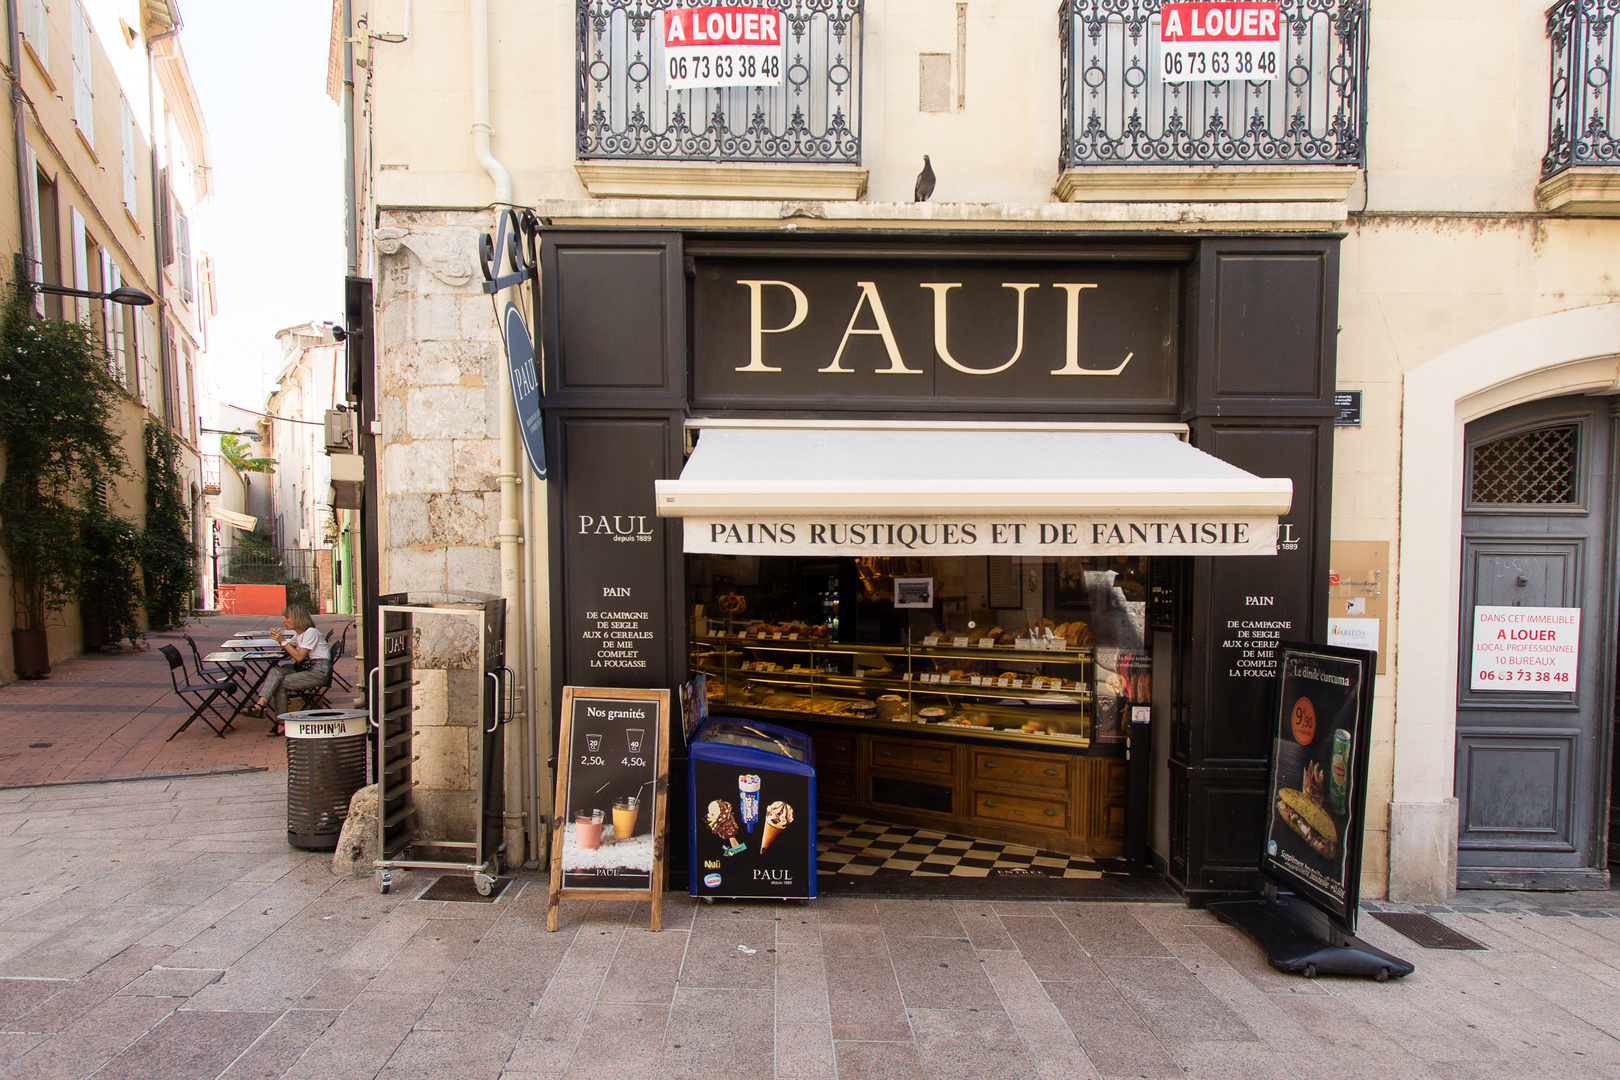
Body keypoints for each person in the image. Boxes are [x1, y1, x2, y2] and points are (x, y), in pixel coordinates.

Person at [247, 603, 332, 735]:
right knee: (276, 671)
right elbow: (287, 648)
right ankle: (261, 704)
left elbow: (298, 657)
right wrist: (279, 638)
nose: (283, 620)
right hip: (307, 669)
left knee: (279, 685)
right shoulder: (300, 635)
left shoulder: (311, 633)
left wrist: (282, 640)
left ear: (297, 618)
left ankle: (280, 722)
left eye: (287, 617)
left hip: (318, 672)